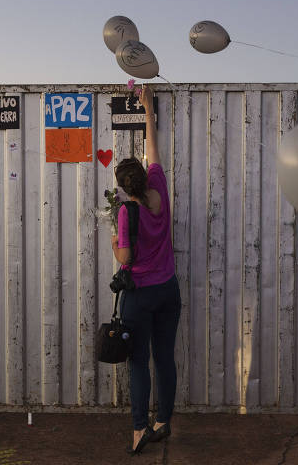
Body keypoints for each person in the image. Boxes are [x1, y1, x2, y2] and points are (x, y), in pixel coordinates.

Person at [110, 85, 180, 455]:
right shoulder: (160, 188)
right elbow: (153, 147)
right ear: (144, 175)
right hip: (168, 289)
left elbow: (124, 258)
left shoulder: (125, 212)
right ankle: (163, 421)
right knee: (164, 357)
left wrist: (112, 242)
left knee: (138, 362)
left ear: (123, 187)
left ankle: (139, 430)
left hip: (139, 295)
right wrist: (147, 109)